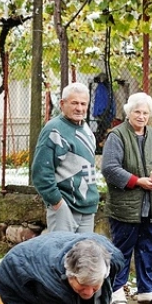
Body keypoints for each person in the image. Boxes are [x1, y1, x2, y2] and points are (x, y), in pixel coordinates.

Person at [101, 91, 152, 304]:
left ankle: (146, 290)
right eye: (137, 112)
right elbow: (110, 169)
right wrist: (136, 181)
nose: (141, 116)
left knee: (149, 247)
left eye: (145, 113)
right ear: (129, 113)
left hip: (151, 205)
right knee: (122, 249)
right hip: (126, 206)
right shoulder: (117, 136)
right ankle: (116, 289)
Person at [31, 82, 100, 233]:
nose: (79, 108)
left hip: (87, 208)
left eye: (83, 103)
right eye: (74, 103)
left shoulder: (86, 129)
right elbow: (40, 172)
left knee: (83, 255)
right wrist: (57, 203)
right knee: (62, 254)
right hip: (65, 207)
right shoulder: (53, 129)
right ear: (62, 104)